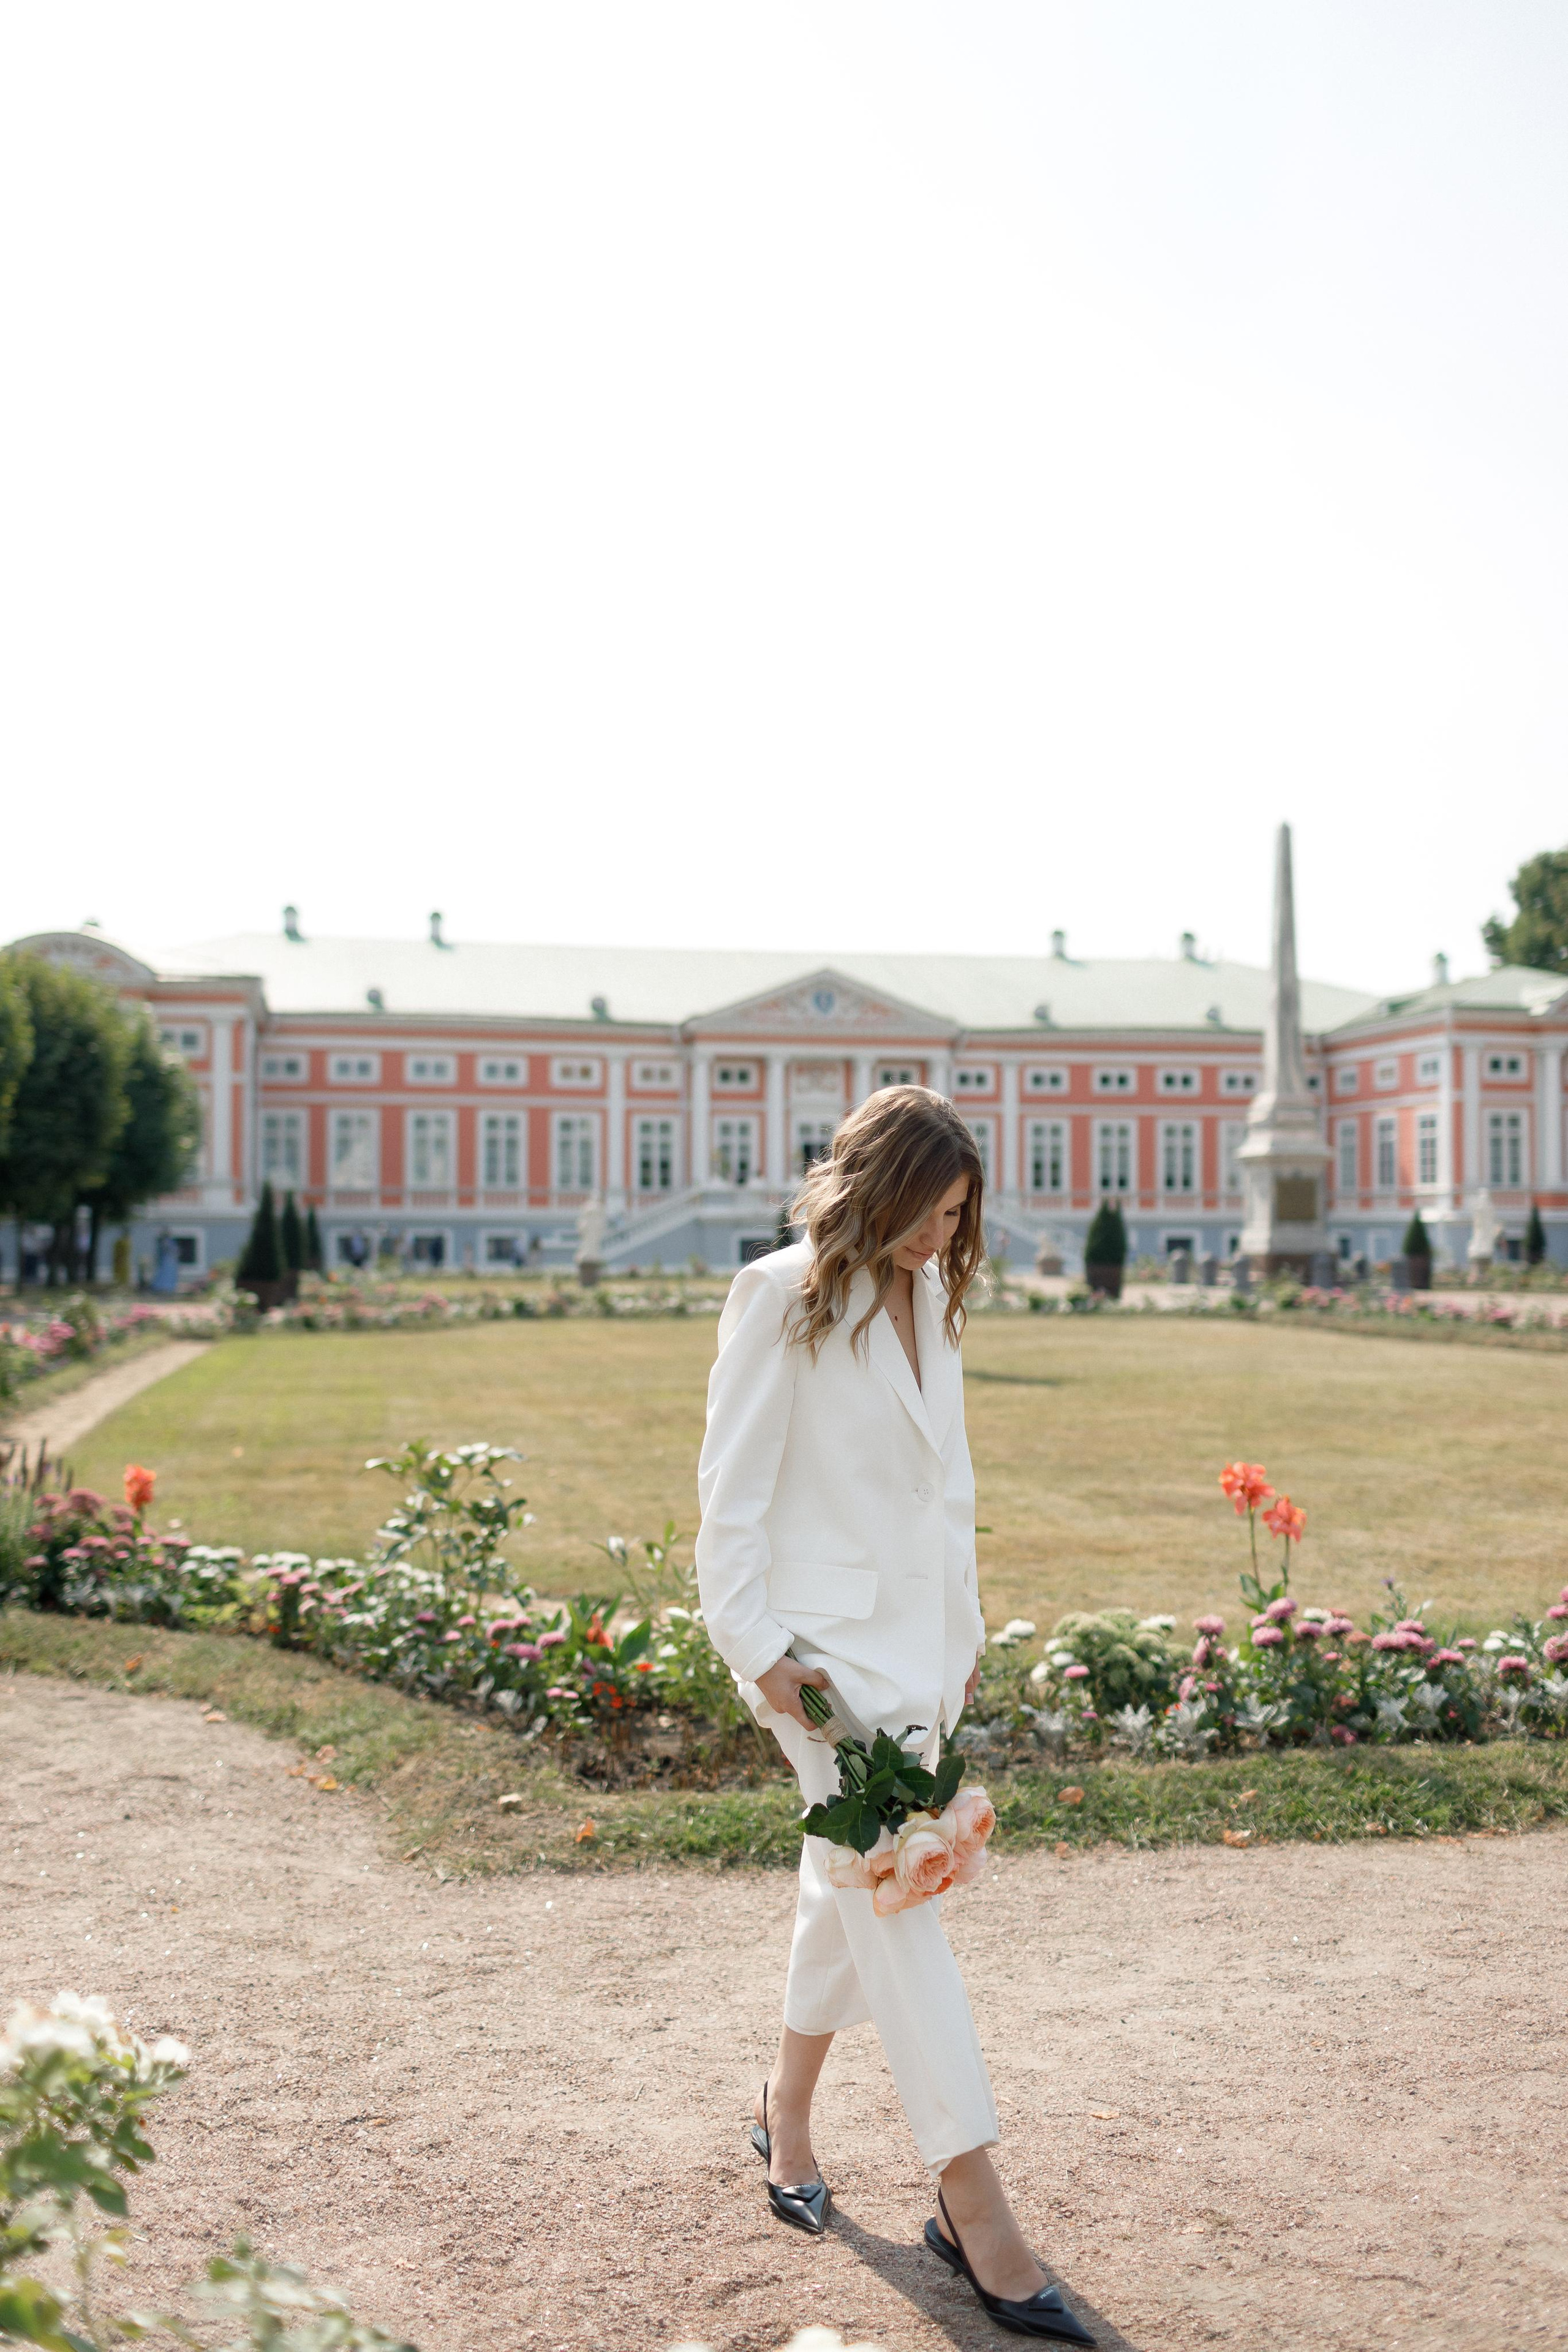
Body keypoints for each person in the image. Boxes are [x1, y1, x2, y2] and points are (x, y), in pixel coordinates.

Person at [695, 1087, 1094, 2343]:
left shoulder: (934, 1302)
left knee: (848, 1891)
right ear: (873, 1187)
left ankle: (785, 2113)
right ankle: (975, 2207)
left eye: (957, 1215)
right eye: (926, 1210)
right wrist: (761, 1656)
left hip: (917, 1655)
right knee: (896, 1887)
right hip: (814, 1665)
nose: (939, 1236)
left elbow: (945, 1493)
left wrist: (959, 1643)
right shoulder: (780, 1295)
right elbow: (729, 1500)